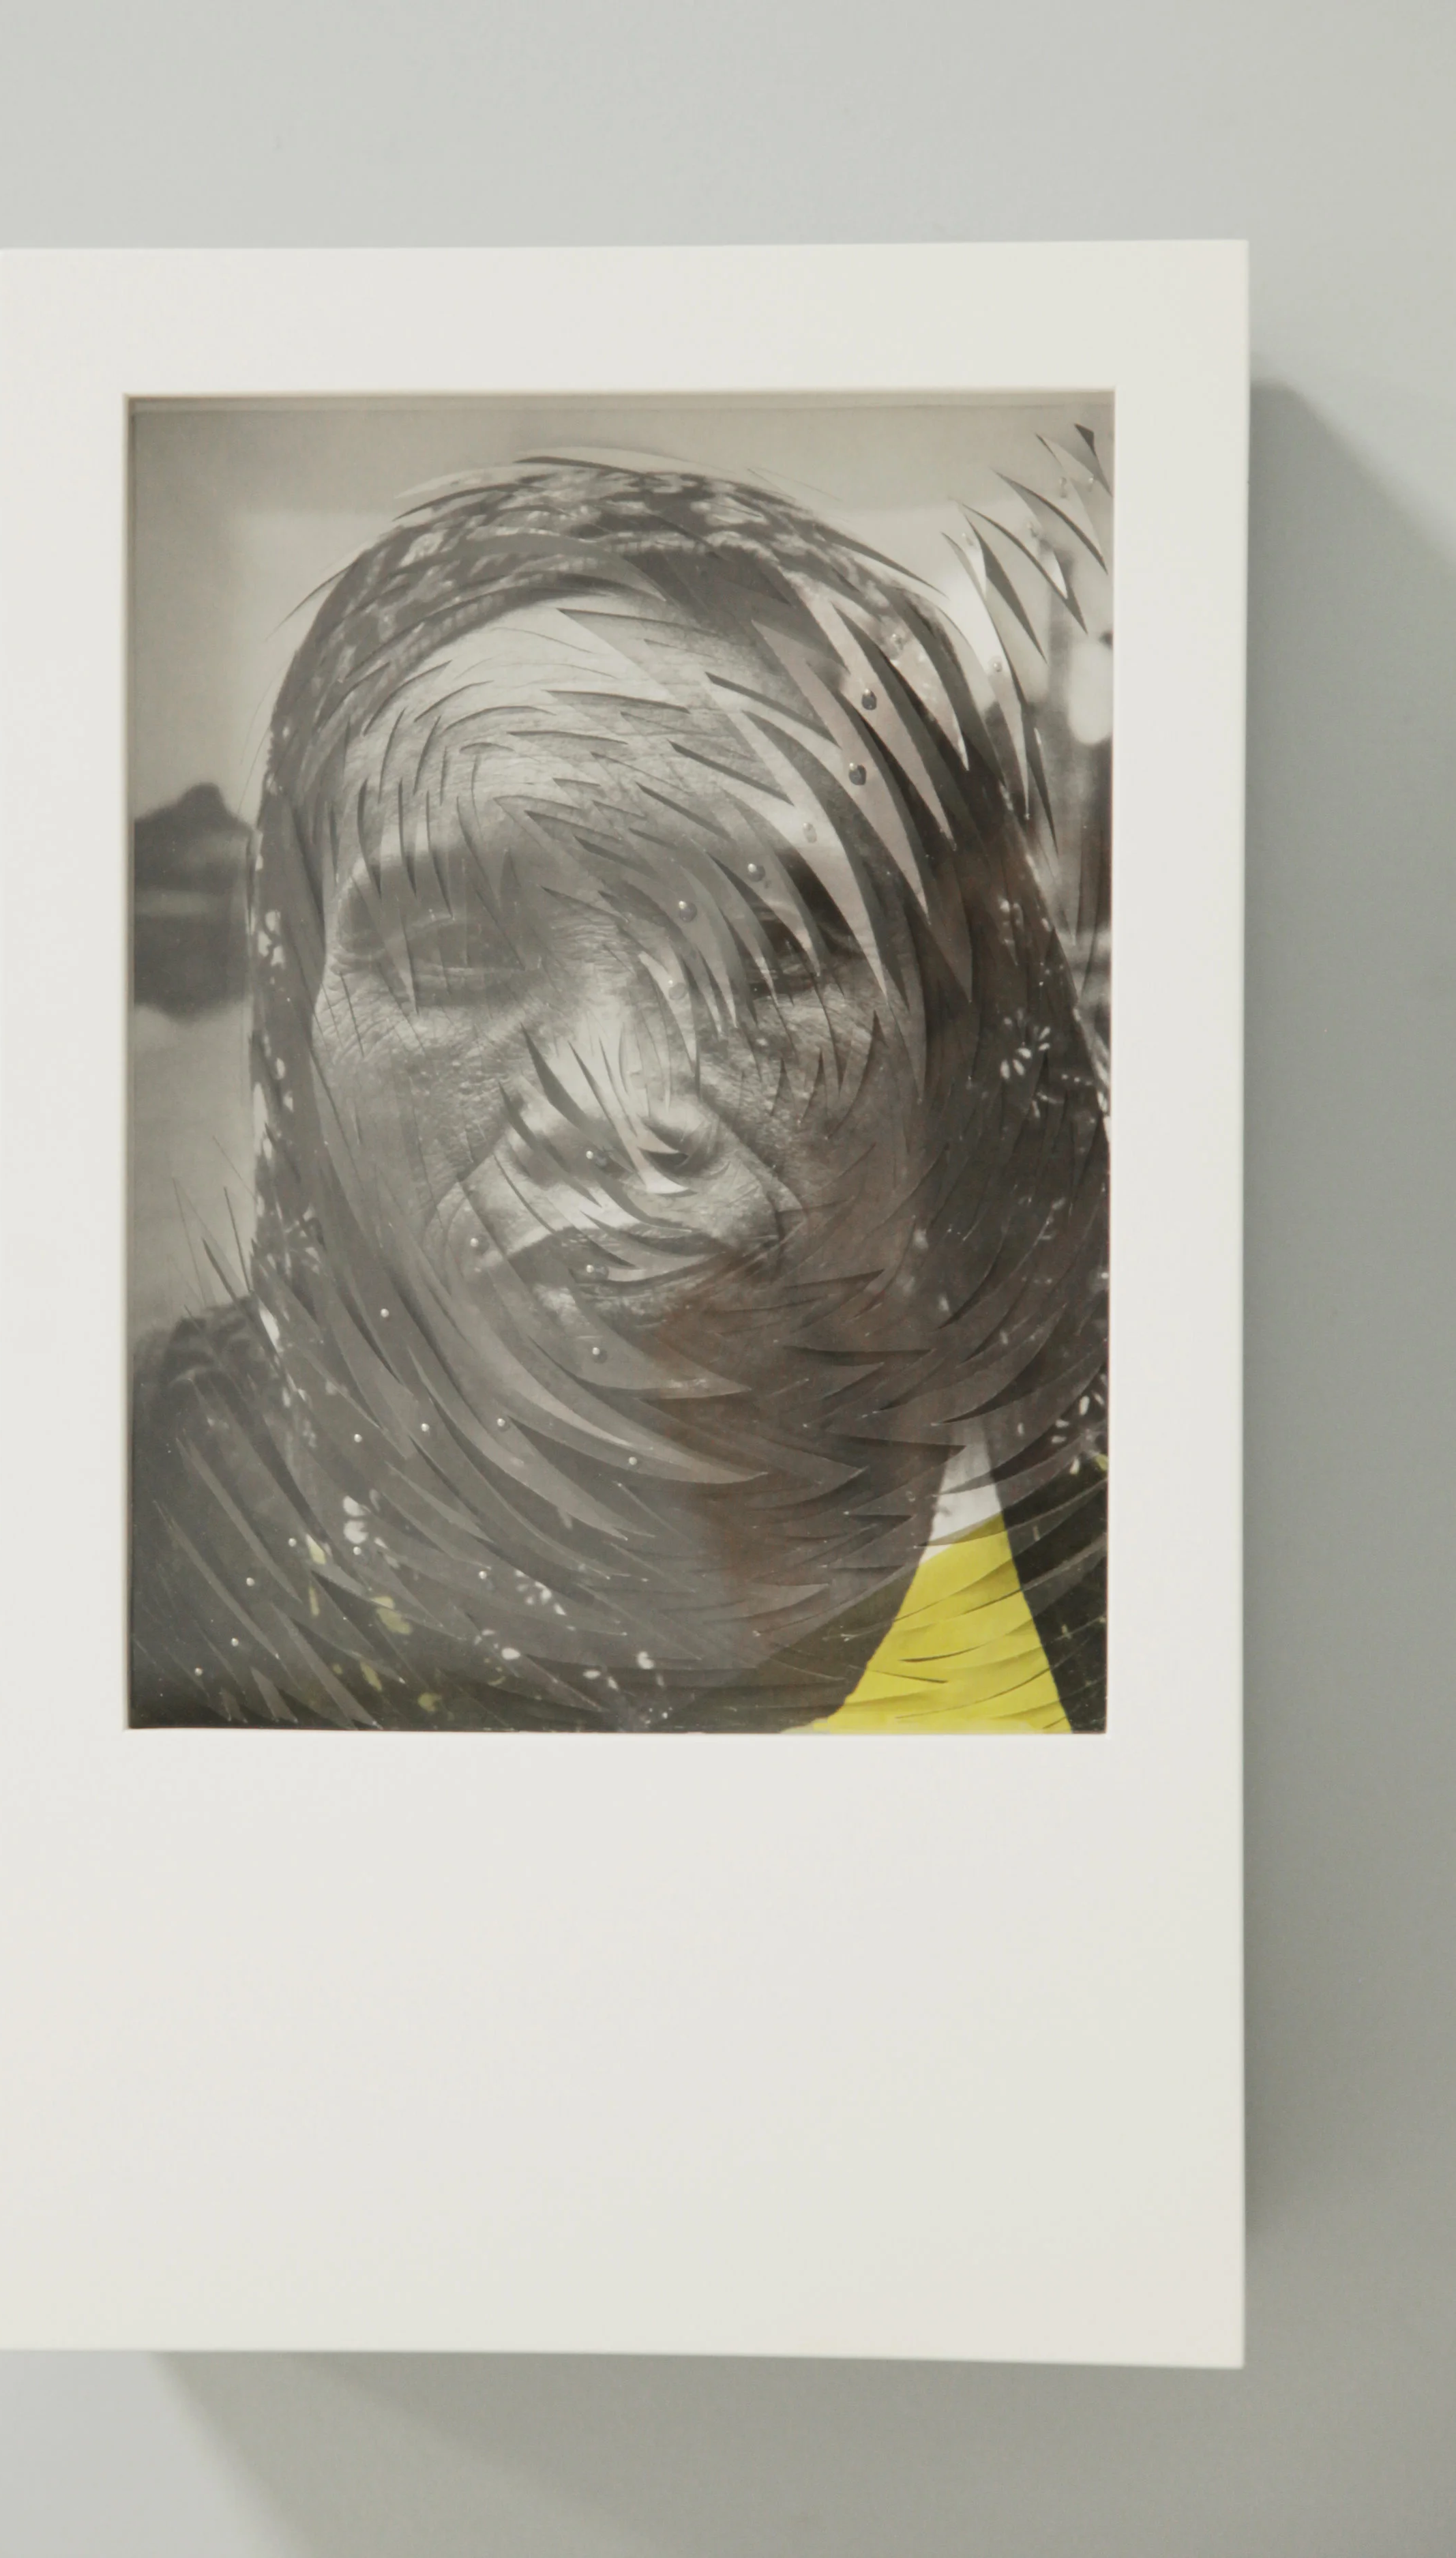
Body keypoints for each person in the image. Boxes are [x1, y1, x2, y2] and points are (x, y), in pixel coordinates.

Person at [130, 458, 1108, 1731]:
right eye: (451, 956)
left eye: (772, 956)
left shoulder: (1149, 1520)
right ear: (300, 1057)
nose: (625, 1099)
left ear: (950, 1054)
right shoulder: (120, 1510)